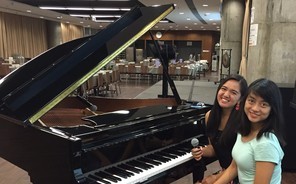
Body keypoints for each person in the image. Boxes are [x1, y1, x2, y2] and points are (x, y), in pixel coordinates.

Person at [214, 78, 286, 184]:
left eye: (263, 104)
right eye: (251, 101)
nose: (255, 108)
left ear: (272, 109)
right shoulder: (244, 130)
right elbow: (234, 167)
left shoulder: (266, 144)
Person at [191, 74, 248, 184]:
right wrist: (202, 151)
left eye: (233, 92)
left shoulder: (243, 121)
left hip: (242, 175)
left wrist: (216, 178)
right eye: (224, 89)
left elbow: (244, 163)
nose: (226, 94)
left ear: (241, 99)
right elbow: (216, 148)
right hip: (226, 173)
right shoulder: (209, 116)